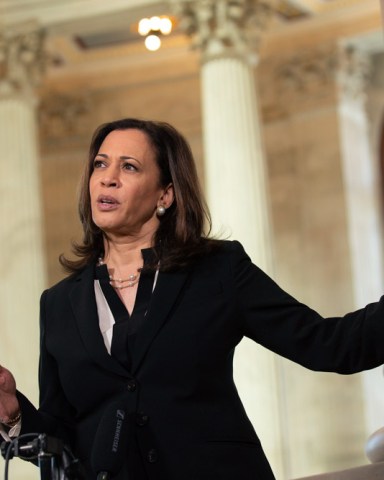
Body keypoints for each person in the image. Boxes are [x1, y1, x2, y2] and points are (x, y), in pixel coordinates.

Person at [1, 117, 384, 480]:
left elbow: (329, 345)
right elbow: (60, 442)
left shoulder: (217, 270)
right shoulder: (57, 304)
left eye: (129, 167)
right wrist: (13, 414)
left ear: (165, 193)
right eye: (100, 165)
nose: (108, 179)